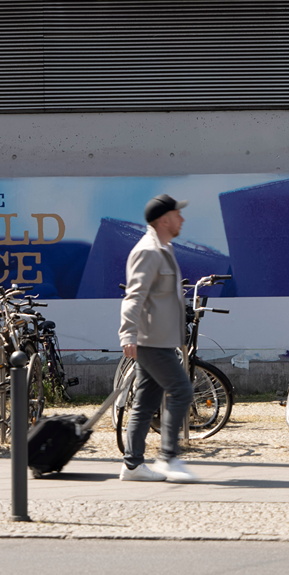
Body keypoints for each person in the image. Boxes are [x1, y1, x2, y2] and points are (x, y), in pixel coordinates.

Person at [117, 194, 197, 483]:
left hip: (160, 340)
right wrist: (128, 333)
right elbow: (133, 296)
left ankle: (132, 465)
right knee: (182, 390)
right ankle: (168, 457)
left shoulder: (164, 249)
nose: (182, 220)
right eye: (178, 215)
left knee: (145, 403)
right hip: (151, 341)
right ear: (165, 220)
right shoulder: (148, 252)